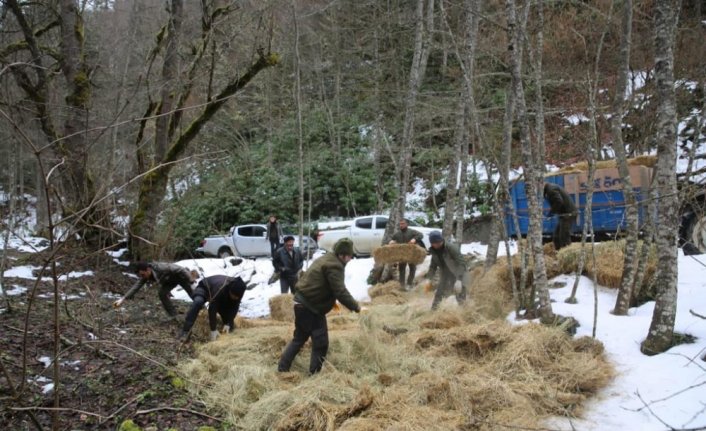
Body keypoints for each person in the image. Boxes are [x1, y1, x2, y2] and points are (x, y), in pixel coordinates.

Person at [278, 238, 361, 374]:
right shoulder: (335, 266)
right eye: (349, 256)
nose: (351, 259)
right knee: (321, 343)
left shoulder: (327, 258)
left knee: (299, 338)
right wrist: (356, 307)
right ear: (342, 255)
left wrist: (330, 301)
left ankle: (282, 368)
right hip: (310, 307)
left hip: (302, 303)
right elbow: (340, 291)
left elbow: (324, 285)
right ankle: (314, 374)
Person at [114, 262, 195, 319]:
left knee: (193, 295)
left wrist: (190, 279)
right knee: (162, 294)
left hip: (181, 277)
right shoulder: (146, 275)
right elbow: (136, 286)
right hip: (169, 281)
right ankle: (174, 315)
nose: (142, 276)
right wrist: (123, 298)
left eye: (143, 274)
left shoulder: (161, 267)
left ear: (148, 269)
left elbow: (180, 269)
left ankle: (202, 312)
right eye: (140, 275)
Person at [178, 275, 247, 341]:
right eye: (234, 296)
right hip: (205, 288)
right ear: (230, 291)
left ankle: (225, 330)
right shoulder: (221, 288)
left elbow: (235, 307)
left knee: (230, 324)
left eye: (237, 297)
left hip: (222, 297)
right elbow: (212, 309)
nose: (235, 298)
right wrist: (213, 329)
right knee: (198, 302)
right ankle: (185, 331)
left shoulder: (239, 290)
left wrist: (228, 323)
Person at [427, 231, 469, 310]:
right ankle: (433, 312)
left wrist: (459, 279)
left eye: (440, 242)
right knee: (439, 293)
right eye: (436, 243)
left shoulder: (451, 248)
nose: (438, 244)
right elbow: (433, 266)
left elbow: (461, 263)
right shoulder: (434, 251)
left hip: (458, 273)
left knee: (460, 294)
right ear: (432, 243)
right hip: (445, 274)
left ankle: (464, 312)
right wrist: (429, 278)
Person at [387, 218, 424, 290]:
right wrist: (391, 242)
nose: (401, 225)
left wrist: (414, 239)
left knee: (412, 269)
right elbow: (392, 240)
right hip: (402, 255)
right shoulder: (397, 234)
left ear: (407, 224)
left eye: (403, 224)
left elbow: (421, 235)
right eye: (400, 224)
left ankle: (409, 284)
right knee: (401, 270)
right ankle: (402, 285)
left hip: (411, 254)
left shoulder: (412, 232)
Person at [543, 182, 577, 250]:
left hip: (568, 214)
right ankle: (558, 254)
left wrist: (551, 213)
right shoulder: (550, 188)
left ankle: (566, 255)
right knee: (556, 236)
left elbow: (559, 202)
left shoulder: (551, 189)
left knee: (564, 237)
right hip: (564, 215)